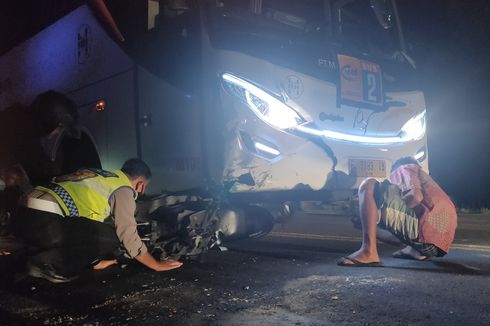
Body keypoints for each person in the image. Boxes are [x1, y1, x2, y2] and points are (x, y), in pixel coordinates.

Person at [13, 158, 182, 282]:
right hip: (46, 222)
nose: (142, 192)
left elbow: (86, 226)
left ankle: (29, 252)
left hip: (23, 216)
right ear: (140, 184)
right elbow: (127, 235)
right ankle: (47, 263)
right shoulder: (123, 189)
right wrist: (156, 265)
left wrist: (96, 260)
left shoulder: (101, 175)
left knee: (97, 230)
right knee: (115, 236)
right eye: (144, 188)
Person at [338, 157, 457, 266]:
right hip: (434, 247)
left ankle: (368, 251)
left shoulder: (406, 168)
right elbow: (402, 232)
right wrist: (365, 224)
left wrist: (370, 205)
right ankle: (414, 251)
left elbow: (415, 197)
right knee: (382, 210)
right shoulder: (435, 191)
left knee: (368, 184)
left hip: (423, 230)